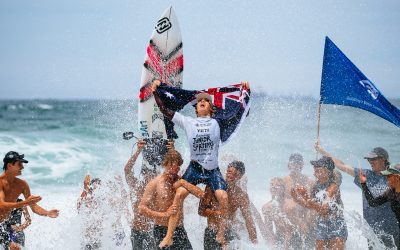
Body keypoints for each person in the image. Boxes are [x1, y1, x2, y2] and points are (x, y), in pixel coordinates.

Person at [152, 79, 249, 247]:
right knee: (179, 195)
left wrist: (245, 94)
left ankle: (220, 233)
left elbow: (239, 112)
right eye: (199, 102)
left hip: (212, 170)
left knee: (223, 197)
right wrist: (155, 92)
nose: (202, 102)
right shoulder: (188, 122)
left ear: (212, 109)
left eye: (206, 101)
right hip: (195, 168)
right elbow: (165, 110)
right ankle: (169, 236)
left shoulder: (217, 122)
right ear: (196, 109)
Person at [315, 141, 399, 248]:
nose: (370, 161)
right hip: (373, 232)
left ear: (383, 160)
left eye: (373, 159)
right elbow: (342, 165)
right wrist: (322, 151)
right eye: (369, 159)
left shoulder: (394, 177)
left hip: (393, 229)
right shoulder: (365, 175)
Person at [138, 149, 204, 250]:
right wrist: (164, 214)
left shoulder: (180, 180)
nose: (174, 170)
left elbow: (201, 194)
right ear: (165, 164)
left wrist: (183, 183)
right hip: (161, 230)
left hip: (179, 229)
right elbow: (141, 208)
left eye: (177, 167)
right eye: (171, 167)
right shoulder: (155, 183)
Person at [0, 151, 59, 249]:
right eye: (19, 164)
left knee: (18, 246)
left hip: (7, 226)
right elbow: (1, 204)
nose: (22, 167)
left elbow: (33, 206)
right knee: (13, 247)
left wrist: (47, 213)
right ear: (10, 166)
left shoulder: (22, 185)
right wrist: (25, 202)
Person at [291, 156, 347, 250]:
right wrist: (297, 199)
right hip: (322, 223)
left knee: (337, 246)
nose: (315, 172)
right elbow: (311, 206)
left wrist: (306, 198)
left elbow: (324, 209)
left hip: (336, 223)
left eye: (318, 170)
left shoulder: (333, 187)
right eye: (315, 169)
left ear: (328, 172)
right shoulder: (315, 187)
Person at [198, 161, 257, 249]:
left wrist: (255, 244)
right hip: (212, 231)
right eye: (229, 172)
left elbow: (249, 221)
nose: (230, 176)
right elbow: (201, 211)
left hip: (229, 232)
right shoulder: (213, 186)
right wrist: (216, 213)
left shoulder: (241, 196)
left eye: (235, 174)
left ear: (240, 177)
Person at [124, 140, 158, 250]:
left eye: (152, 175)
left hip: (152, 232)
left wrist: (171, 149)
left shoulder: (158, 189)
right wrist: (138, 151)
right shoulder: (136, 186)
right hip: (136, 231)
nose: (149, 177)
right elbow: (127, 170)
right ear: (143, 175)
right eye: (146, 173)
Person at [359, 164, 400, 248]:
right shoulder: (390, 193)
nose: (387, 179)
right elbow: (372, 203)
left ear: (397, 177)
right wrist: (364, 184)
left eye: (389, 177)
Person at [282, 153, 316, 249]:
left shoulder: (310, 182)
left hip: (306, 218)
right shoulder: (283, 181)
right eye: (294, 163)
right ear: (289, 165)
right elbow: (279, 202)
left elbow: (314, 201)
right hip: (290, 218)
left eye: (299, 163)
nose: (296, 166)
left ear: (302, 165)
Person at [262, 177, 300, 249]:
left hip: (294, 237)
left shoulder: (290, 205)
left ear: (283, 189)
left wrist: (285, 248)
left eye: (277, 185)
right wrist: (273, 246)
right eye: (271, 184)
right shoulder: (266, 207)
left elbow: (290, 230)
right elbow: (269, 230)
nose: (273, 187)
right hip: (279, 237)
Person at [77, 175, 103, 249]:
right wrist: (85, 188)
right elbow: (78, 206)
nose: (96, 188)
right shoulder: (86, 199)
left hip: (98, 239)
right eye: (95, 186)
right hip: (87, 240)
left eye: (99, 186)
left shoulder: (102, 201)